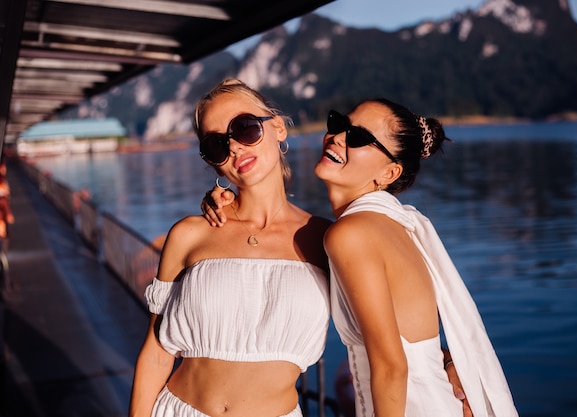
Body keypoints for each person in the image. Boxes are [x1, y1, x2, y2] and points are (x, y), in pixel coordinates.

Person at [203, 97, 517, 416]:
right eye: (339, 124)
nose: (338, 137)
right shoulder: (392, 226)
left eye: (359, 137)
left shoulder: (351, 234)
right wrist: (449, 359)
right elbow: (413, 339)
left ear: (389, 173)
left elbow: (392, 367)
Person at [129, 79, 332, 417]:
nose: (235, 147)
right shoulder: (190, 234)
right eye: (216, 144)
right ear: (211, 162)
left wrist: (449, 360)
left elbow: (386, 325)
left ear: (278, 128)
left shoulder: (324, 239)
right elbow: (156, 352)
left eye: (245, 128)